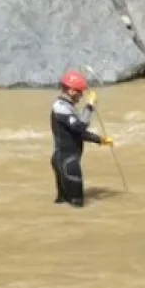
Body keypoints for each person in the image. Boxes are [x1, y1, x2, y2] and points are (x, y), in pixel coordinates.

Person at [50, 70, 114, 208]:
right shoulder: (61, 108)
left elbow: (77, 133)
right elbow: (80, 127)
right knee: (77, 205)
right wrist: (89, 106)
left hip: (62, 160)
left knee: (63, 205)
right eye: (80, 92)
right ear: (72, 91)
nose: (81, 95)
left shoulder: (66, 107)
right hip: (68, 162)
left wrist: (100, 140)